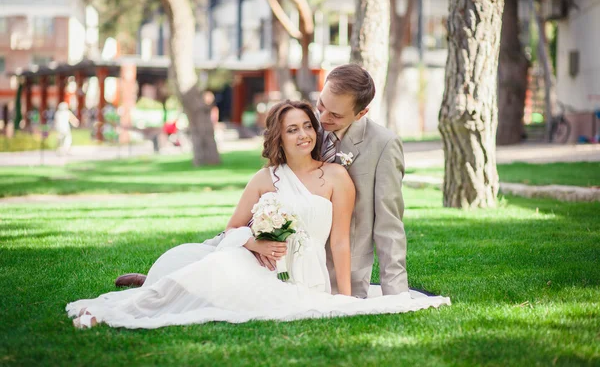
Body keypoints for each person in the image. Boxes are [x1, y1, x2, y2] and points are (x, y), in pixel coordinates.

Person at [67, 100, 449, 329]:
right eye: (291, 130)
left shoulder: (336, 176)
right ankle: (117, 310)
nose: (303, 135)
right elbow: (232, 229)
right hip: (251, 259)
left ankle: (139, 295)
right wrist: (257, 242)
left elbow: (341, 241)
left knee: (208, 282)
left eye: (306, 127)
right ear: (278, 137)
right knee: (205, 266)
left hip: (306, 275)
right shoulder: (265, 178)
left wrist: (345, 300)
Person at [116, 64, 408, 298]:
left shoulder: (382, 145)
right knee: (212, 257)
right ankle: (170, 279)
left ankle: (176, 280)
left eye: (334, 114)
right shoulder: (307, 124)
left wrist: (397, 296)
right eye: (320, 105)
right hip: (271, 242)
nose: (320, 118)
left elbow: (389, 227)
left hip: (327, 261)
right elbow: (277, 182)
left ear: (361, 113)